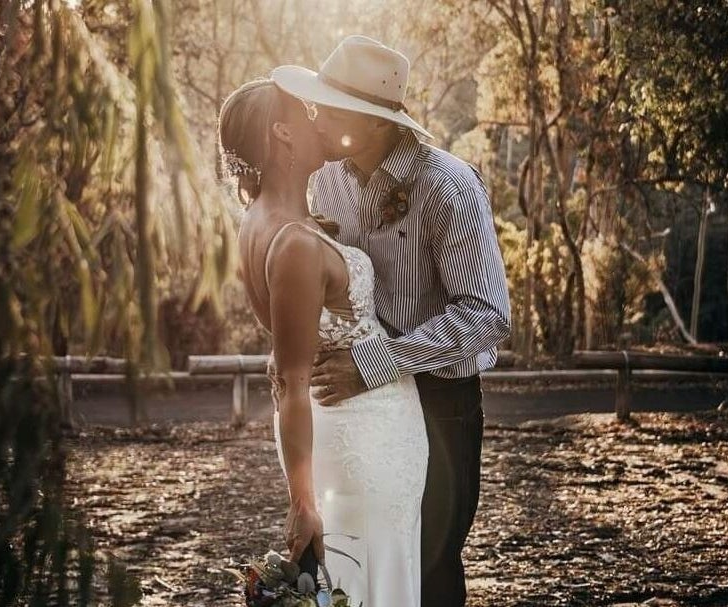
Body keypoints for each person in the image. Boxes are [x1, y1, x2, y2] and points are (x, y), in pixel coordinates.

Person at [272, 35, 511, 607]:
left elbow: (486, 316)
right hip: (353, 415)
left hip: (439, 404)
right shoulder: (326, 180)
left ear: (375, 123)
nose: (316, 116)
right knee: (356, 559)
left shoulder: (447, 187)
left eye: (330, 106)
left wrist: (376, 363)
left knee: (427, 566)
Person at [218, 77, 428, 606]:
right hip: (360, 442)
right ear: (283, 133)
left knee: (362, 579)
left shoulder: (262, 221)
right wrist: (303, 501)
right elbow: (290, 379)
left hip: (364, 437)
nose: (322, 119)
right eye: (309, 112)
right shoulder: (293, 243)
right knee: (365, 581)